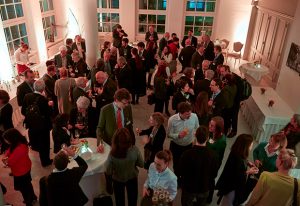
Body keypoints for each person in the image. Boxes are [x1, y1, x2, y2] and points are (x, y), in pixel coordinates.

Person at [179, 126, 219, 206]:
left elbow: (181, 172)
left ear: (195, 136)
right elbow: (214, 174)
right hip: (204, 188)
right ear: (207, 138)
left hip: (188, 188)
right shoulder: (213, 155)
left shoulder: (186, 154)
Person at [216, 134, 259, 206]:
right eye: (251, 145)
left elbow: (242, 160)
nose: (252, 146)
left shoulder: (236, 151)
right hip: (231, 187)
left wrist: (248, 162)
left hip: (229, 184)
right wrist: (249, 171)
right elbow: (236, 176)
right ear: (245, 146)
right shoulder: (238, 159)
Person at [106, 128, 144, 206]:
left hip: (117, 180)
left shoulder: (112, 154)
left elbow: (108, 171)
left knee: (119, 202)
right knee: (133, 201)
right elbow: (141, 164)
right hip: (132, 178)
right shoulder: (135, 150)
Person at [21, 80, 52, 167]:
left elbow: (23, 111)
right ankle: (45, 161)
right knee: (45, 144)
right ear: (43, 89)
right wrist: (50, 105)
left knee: (35, 140)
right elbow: (49, 114)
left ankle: (36, 148)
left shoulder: (27, 96)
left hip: (31, 125)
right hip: (43, 126)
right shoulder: (43, 99)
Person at [2, 128, 37, 206]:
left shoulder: (19, 148)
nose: (5, 141)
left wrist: (6, 162)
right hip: (25, 167)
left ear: (12, 138)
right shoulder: (19, 143)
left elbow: (10, 162)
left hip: (21, 171)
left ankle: (28, 202)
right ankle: (33, 197)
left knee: (24, 189)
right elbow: (9, 150)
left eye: (6, 140)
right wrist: (7, 155)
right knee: (28, 184)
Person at [167, 102, 199, 185]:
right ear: (180, 113)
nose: (189, 116)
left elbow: (197, 128)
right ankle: (177, 180)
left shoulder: (194, 116)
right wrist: (178, 135)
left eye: (190, 113)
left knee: (187, 164)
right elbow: (168, 134)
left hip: (189, 145)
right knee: (176, 165)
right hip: (176, 146)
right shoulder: (172, 120)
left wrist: (195, 138)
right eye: (187, 115)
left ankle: (184, 180)